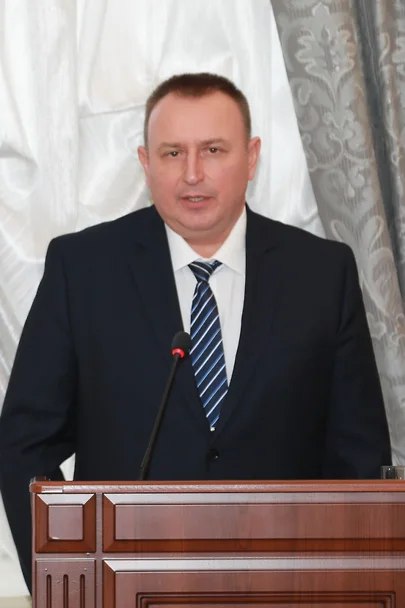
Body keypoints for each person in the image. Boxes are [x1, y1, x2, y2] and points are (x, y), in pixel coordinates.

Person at [0, 72, 391, 592]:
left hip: (287, 587)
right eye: (172, 153)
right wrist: (66, 582)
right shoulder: (84, 269)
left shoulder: (321, 273)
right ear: (145, 163)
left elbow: (359, 457)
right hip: (125, 587)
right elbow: (25, 444)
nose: (192, 174)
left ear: (251, 158)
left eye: (212, 150)